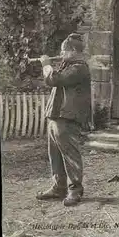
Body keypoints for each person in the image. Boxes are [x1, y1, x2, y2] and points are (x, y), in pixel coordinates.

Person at [36, 33, 91, 207]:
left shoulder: (79, 67)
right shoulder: (68, 65)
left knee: (70, 154)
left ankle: (75, 190)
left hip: (67, 118)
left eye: (63, 50)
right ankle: (59, 187)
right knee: (55, 155)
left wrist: (46, 65)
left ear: (73, 51)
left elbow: (54, 79)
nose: (61, 53)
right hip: (56, 116)